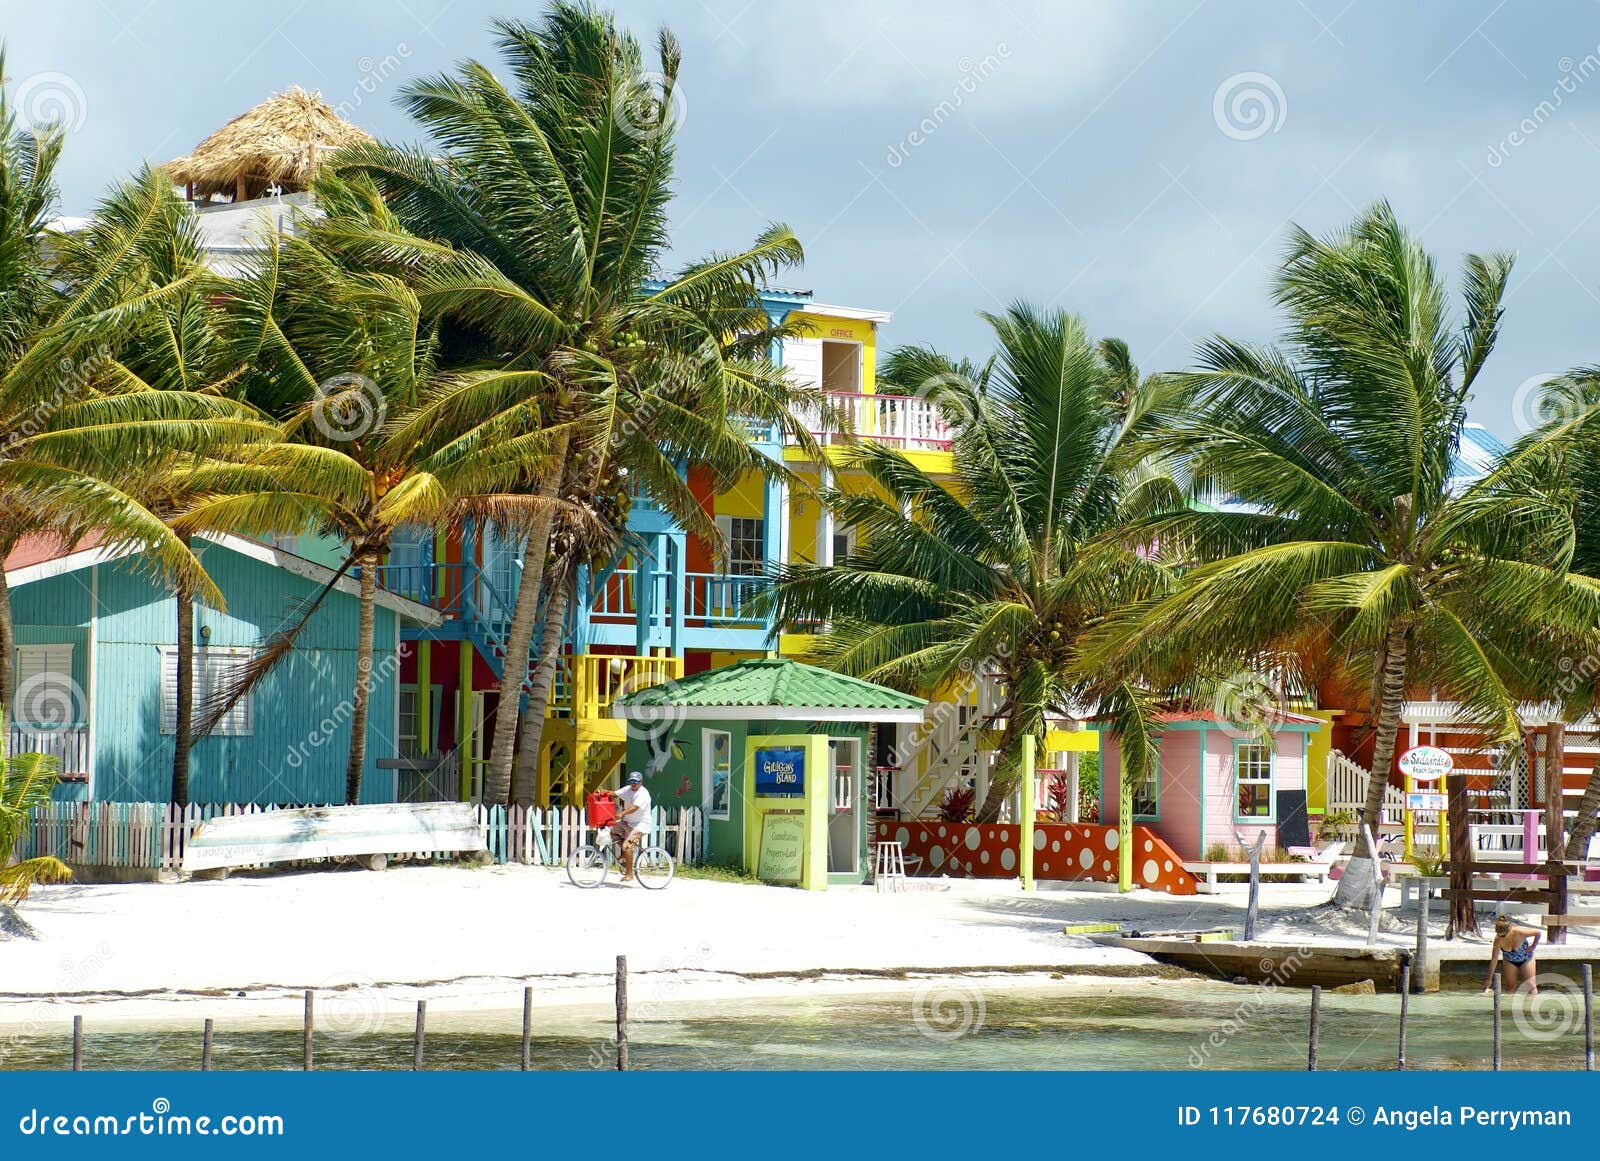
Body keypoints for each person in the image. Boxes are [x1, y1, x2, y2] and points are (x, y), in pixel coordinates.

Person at [1483, 914, 1541, 995]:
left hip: (1526, 959)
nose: (1501, 937)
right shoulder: (1497, 940)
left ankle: (1531, 1006)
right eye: (1499, 935)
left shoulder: (1519, 931)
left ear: (1510, 930)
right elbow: (1494, 960)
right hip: (1509, 961)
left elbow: (1538, 933)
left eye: (1503, 935)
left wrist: (1533, 946)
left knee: (1531, 986)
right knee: (1511, 987)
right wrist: (1489, 979)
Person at [613, 771, 653, 884]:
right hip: (628, 823)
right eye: (631, 781)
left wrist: (621, 813)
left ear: (641, 782)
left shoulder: (643, 794)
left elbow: (634, 807)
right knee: (612, 832)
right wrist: (603, 793)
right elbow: (614, 793)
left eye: (636, 781)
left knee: (627, 846)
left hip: (641, 825)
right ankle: (626, 855)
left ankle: (630, 874)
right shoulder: (628, 789)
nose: (633, 783)